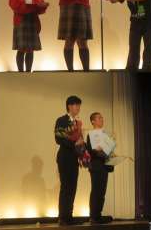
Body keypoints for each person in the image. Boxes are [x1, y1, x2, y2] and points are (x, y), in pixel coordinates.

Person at [9, 0, 49, 72]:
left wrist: (42, 5)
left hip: (32, 21)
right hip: (21, 22)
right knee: (21, 48)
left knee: (30, 49)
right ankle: (21, 72)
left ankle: (28, 72)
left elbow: (39, 2)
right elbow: (16, 5)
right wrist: (34, 6)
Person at [54, 96, 84, 226]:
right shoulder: (61, 120)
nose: (78, 108)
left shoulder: (78, 123)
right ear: (69, 106)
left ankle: (69, 216)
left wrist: (82, 149)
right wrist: (74, 143)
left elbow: (79, 140)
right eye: (76, 105)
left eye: (79, 105)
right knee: (66, 187)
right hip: (65, 157)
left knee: (73, 187)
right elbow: (58, 138)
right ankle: (63, 217)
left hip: (74, 158)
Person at [86, 113, 114, 225]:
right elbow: (91, 151)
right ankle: (93, 216)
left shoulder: (105, 134)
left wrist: (111, 153)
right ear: (93, 121)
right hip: (96, 166)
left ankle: (98, 215)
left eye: (102, 117)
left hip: (104, 165)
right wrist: (100, 150)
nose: (102, 119)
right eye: (99, 118)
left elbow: (108, 150)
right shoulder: (91, 134)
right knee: (96, 191)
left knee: (102, 192)